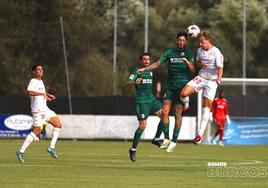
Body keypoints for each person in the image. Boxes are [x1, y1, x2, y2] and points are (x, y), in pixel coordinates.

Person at [137, 32, 195, 152]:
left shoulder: (189, 53)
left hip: (181, 88)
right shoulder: (170, 52)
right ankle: (167, 138)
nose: (182, 42)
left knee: (178, 114)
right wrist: (144, 68)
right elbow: (157, 64)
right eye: (180, 40)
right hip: (170, 87)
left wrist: (187, 62)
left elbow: (193, 70)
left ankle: (174, 140)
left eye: (184, 40)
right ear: (176, 40)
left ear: (186, 41)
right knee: (164, 112)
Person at [180, 31, 224, 144]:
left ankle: (199, 135)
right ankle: (186, 105)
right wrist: (200, 65)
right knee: (183, 93)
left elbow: (220, 67)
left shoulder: (216, 52)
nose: (200, 44)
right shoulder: (199, 50)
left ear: (208, 41)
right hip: (201, 77)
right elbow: (198, 61)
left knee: (206, 107)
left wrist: (218, 79)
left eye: (202, 42)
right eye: (199, 42)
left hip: (211, 82)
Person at [16, 64, 62, 163]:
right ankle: (21, 151)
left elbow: (41, 92)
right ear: (34, 72)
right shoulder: (33, 81)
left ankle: (51, 148)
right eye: (38, 69)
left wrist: (47, 95)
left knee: (58, 124)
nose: (41, 71)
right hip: (38, 111)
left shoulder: (40, 81)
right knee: (36, 132)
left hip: (45, 109)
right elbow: (29, 92)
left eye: (41, 69)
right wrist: (42, 94)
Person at [128, 53, 164, 162]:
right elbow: (128, 82)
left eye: (148, 59)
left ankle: (156, 139)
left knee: (165, 116)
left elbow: (157, 64)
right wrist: (135, 82)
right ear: (140, 61)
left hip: (152, 99)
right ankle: (133, 149)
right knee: (143, 126)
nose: (146, 61)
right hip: (142, 102)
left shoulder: (150, 70)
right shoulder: (137, 71)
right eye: (144, 59)